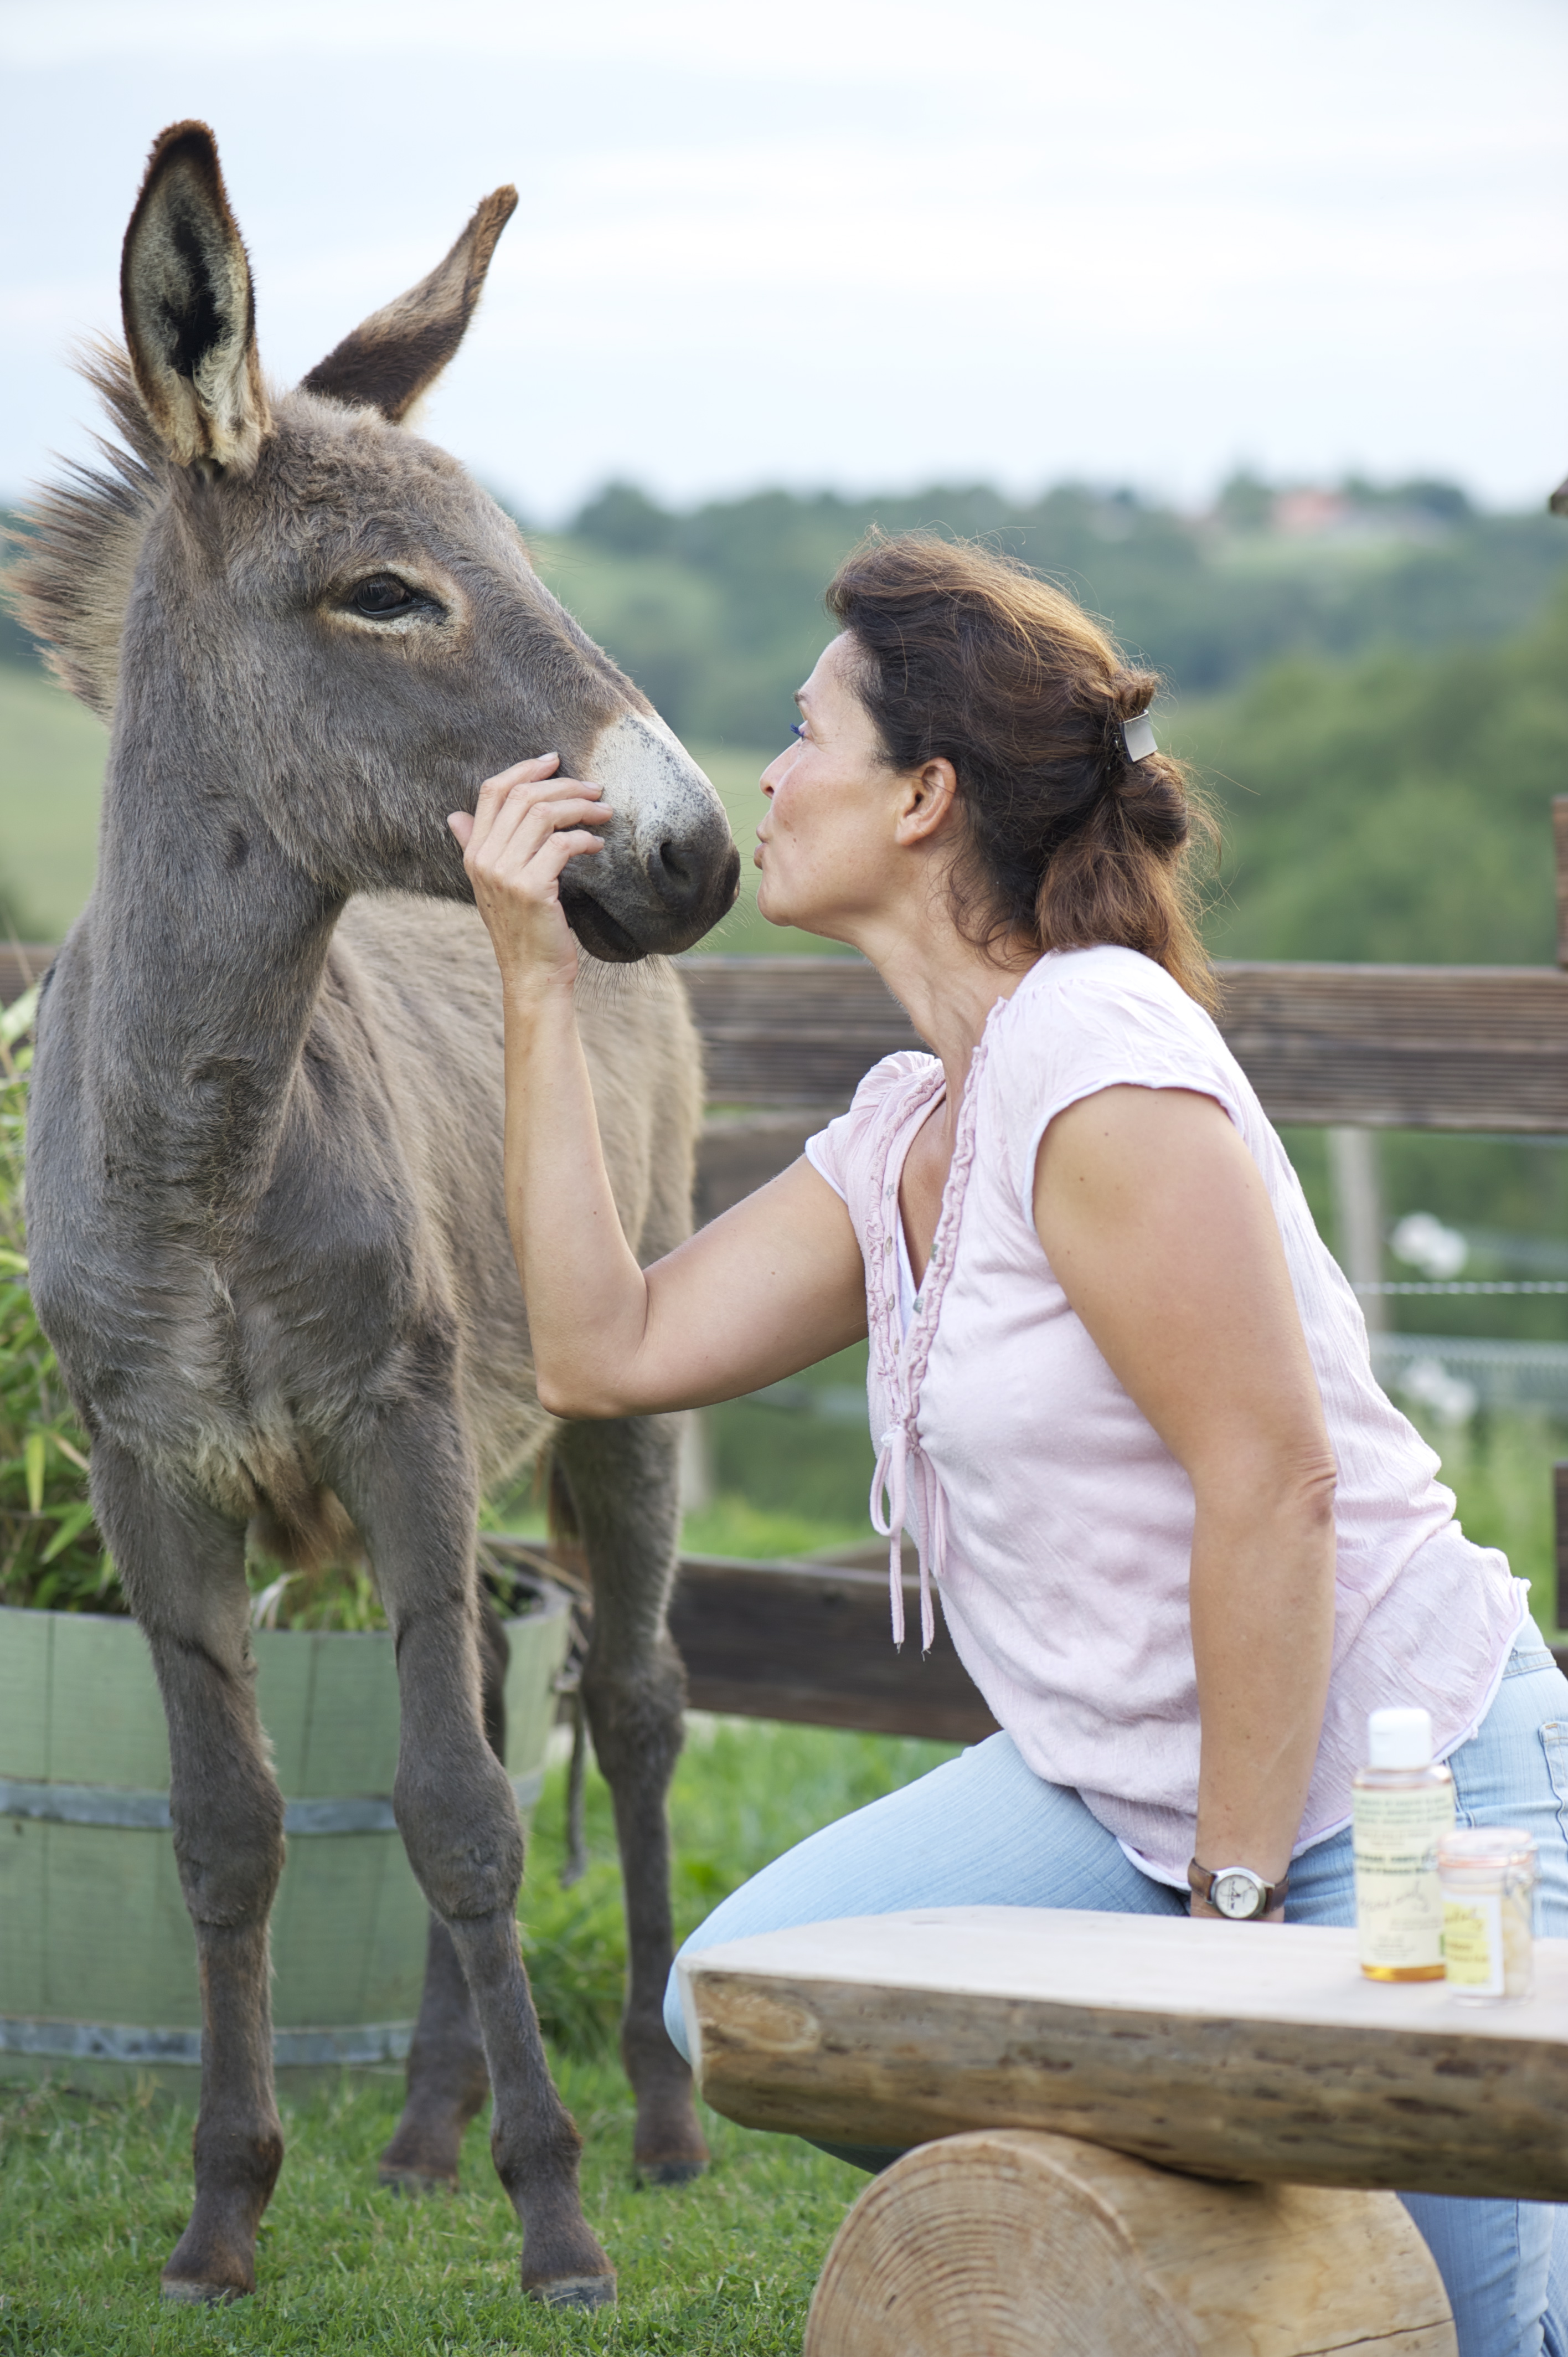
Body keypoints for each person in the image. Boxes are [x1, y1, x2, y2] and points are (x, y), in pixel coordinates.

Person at [451, 532, 1568, 2357]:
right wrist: (536, 985)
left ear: (925, 796)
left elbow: (1271, 1486)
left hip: (1402, 1786)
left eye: (805, 732)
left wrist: (1227, 1939)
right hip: (1119, 1799)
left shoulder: (1098, 1053)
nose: (771, 774)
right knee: (745, 1996)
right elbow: (602, 1345)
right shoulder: (915, 1122)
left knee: (1478, 2330)